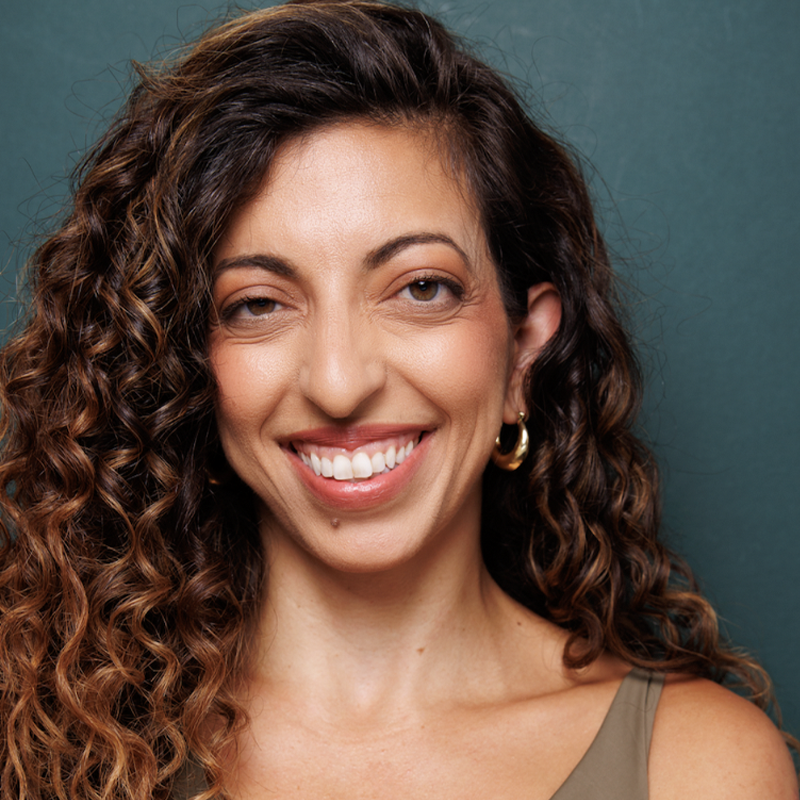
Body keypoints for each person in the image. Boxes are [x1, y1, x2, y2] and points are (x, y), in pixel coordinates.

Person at [0, 1, 796, 798]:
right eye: (258, 304)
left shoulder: (697, 769)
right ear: (187, 367)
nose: (340, 382)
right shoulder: (53, 742)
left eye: (420, 288)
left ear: (524, 350)